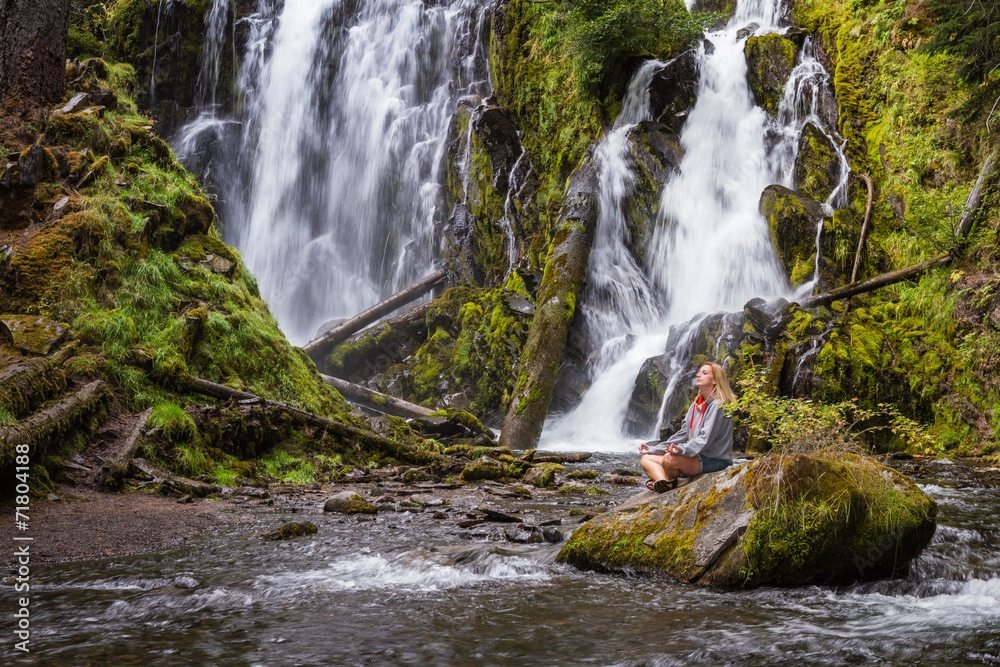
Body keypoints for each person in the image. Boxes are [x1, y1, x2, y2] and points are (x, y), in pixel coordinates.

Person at [640, 361, 736, 492]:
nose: (698, 374)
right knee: (646, 459)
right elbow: (683, 434)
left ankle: (662, 480)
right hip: (694, 457)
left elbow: (704, 440)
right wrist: (654, 449)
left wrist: (680, 450)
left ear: (715, 380)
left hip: (714, 460)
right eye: (699, 372)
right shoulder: (695, 405)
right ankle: (664, 482)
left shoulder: (718, 405)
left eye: (704, 373)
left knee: (669, 460)